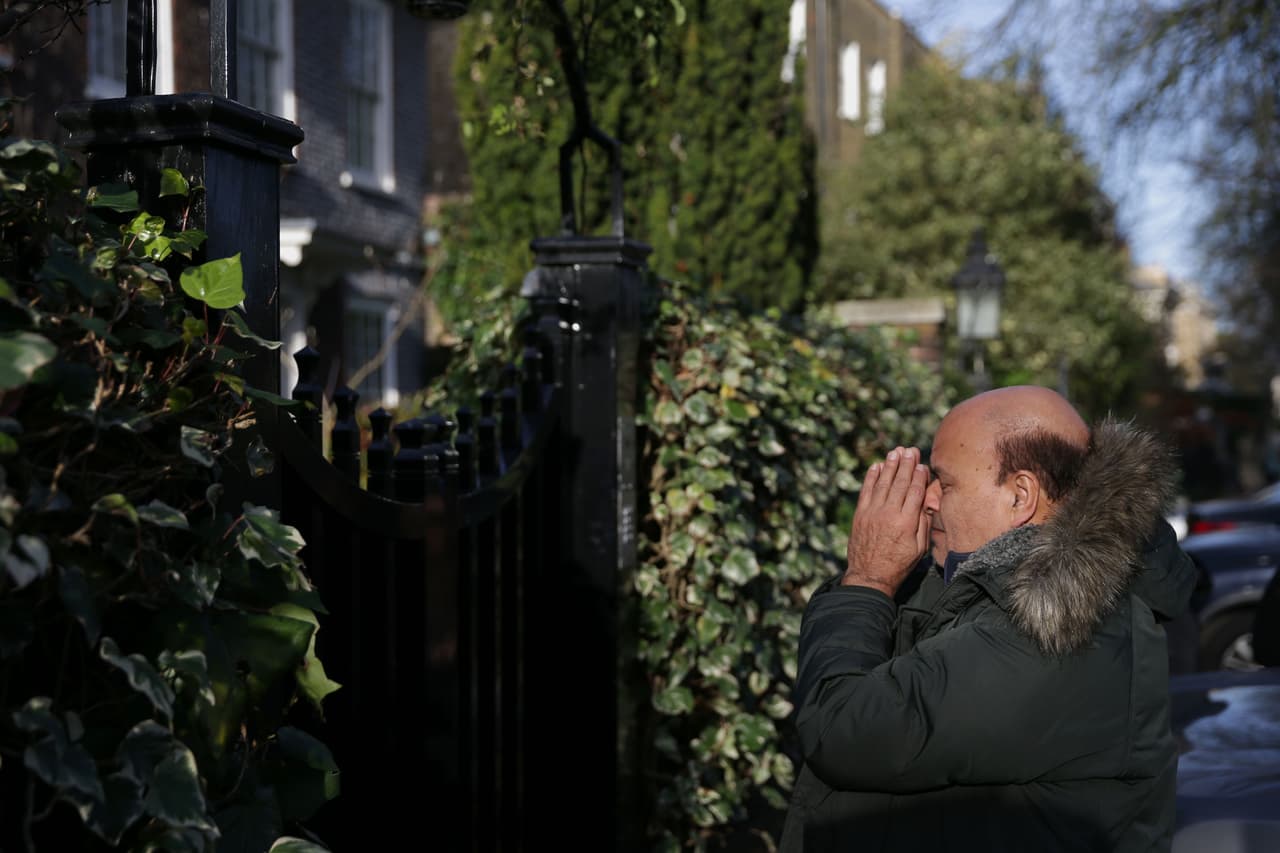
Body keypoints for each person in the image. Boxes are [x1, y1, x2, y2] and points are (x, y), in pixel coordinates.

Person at [780, 386, 1198, 852]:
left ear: (1021, 496)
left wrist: (867, 580)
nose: (930, 499)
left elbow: (848, 732)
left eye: (946, 481)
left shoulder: (1061, 627)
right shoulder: (986, 583)